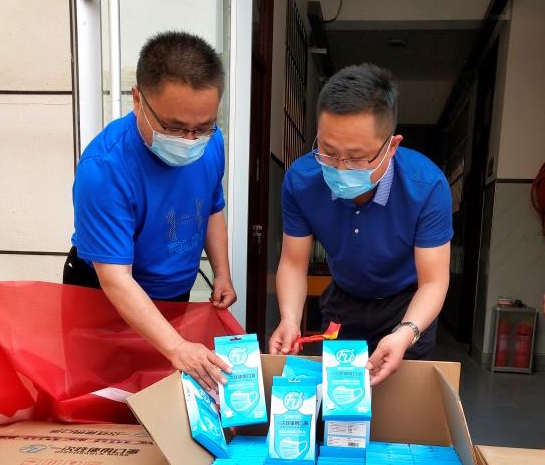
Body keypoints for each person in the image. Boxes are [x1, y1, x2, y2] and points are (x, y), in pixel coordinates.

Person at [63, 31, 236, 391]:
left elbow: (212, 206)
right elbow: (116, 279)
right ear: (138, 99)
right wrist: (177, 347)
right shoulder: (105, 169)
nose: (190, 140)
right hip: (105, 300)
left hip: (172, 294)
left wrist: (222, 272)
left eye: (203, 127)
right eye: (175, 127)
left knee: (161, 396)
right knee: (102, 399)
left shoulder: (212, 143)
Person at [269, 63, 452, 386]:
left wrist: (406, 332)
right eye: (327, 151)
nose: (340, 168)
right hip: (344, 301)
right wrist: (290, 318)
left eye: (356, 157)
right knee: (337, 400)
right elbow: (293, 262)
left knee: (400, 404)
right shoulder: (301, 180)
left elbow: (433, 282)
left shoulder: (427, 186)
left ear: (391, 146)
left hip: (407, 306)